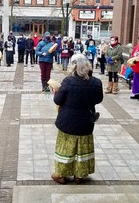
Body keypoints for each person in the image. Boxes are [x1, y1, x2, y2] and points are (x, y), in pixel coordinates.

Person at [51, 54, 103, 184]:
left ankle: (61, 175)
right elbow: (98, 99)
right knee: (83, 149)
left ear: (74, 66)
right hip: (86, 121)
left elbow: (58, 100)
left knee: (66, 149)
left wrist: (56, 92)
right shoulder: (96, 82)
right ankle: (79, 175)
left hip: (67, 122)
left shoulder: (68, 81)